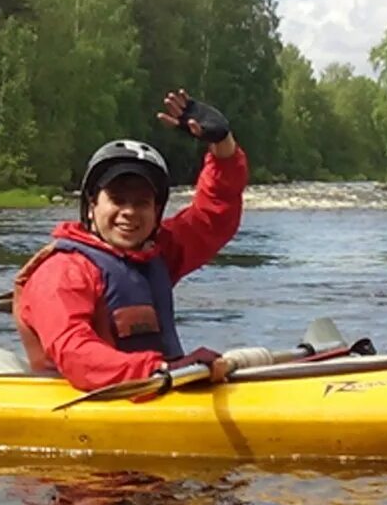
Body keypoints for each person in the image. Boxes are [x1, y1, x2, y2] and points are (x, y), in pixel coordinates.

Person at [13, 89, 248, 392]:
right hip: (91, 401)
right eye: (118, 199)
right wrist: (160, 369)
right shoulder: (61, 272)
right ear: (92, 204)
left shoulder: (155, 254)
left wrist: (223, 146)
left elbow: (214, 215)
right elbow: (75, 352)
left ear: (156, 210)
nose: (129, 213)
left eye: (141, 203)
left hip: (159, 386)